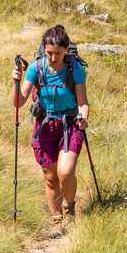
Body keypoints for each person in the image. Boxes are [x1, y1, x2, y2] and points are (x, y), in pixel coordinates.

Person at [11, 25, 89, 223]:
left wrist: (83, 116)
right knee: (50, 177)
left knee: (65, 172)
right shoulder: (35, 68)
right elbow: (19, 102)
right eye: (49, 53)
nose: (53, 58)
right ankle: (56, 219)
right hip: (45, 125)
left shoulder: (74, 69)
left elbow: (82, 102)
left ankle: (69, 209)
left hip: (70, 124)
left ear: (66, 50)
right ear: (44, 50)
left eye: (58, 53)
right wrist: (15, 82)